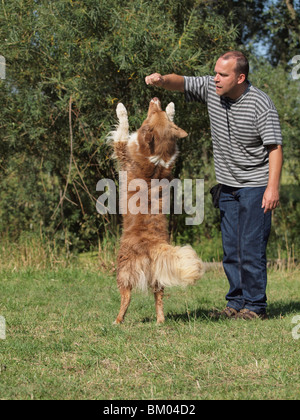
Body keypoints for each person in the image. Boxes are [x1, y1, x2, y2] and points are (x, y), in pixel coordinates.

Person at [145, 51, 283, 320]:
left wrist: (273, 187)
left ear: (240, 77)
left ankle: (255, 307)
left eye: (223, 74)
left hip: (256, 185)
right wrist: (161, 80)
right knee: (231, 248)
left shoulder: (260, 104)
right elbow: (181, 82)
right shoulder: (212, 88)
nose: (216, 79)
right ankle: (235, 302)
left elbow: (275, 147)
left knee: (251, 248)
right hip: (227, 186)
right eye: (215, 73)